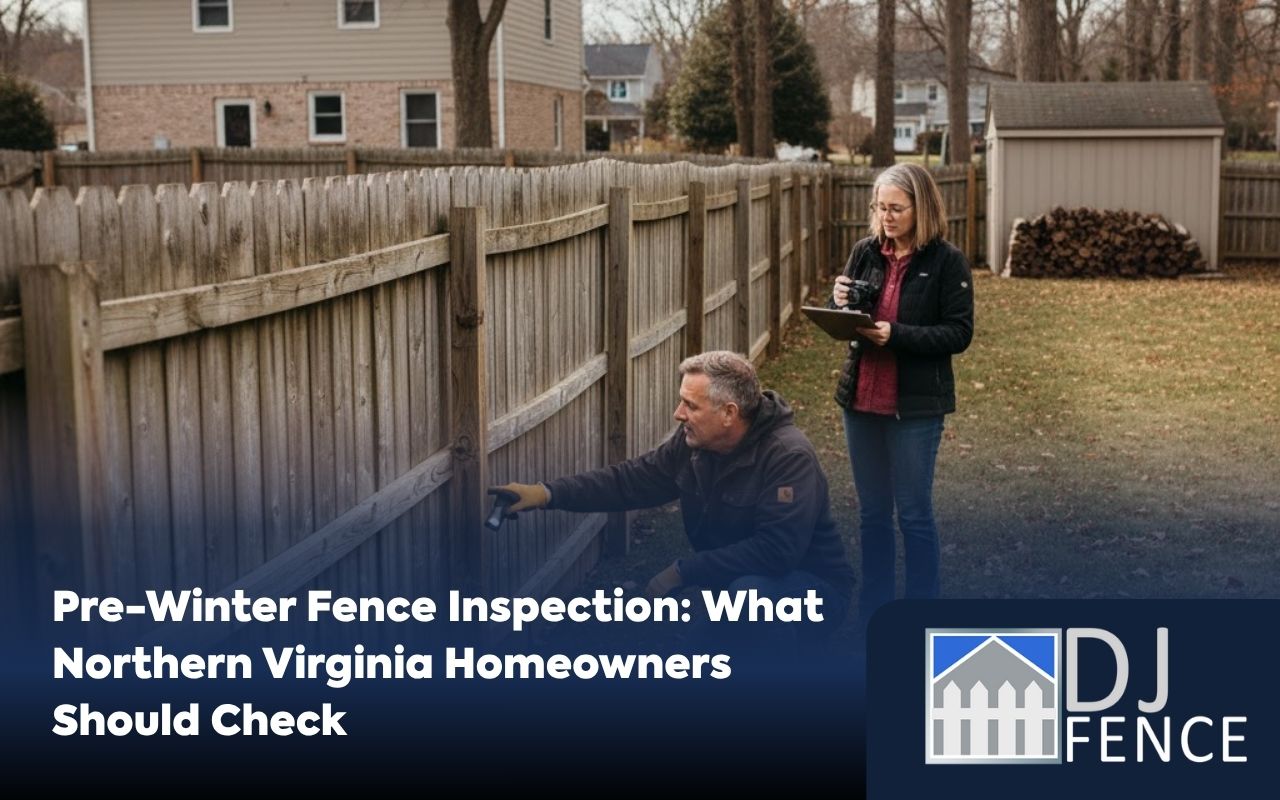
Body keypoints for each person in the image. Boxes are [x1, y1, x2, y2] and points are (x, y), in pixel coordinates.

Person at [491, 350, 855, 649]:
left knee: (750, 598)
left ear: (729, 413)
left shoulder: (788, 457)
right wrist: (546, 493)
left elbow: (777, 552)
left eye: (691, 406)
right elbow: (631, 481)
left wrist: (684, 571)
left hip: (811, 591)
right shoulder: (695, 444)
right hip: (734, 587)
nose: (678, 414)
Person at [830, 163, 974, 626]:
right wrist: (838, 303)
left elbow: (959, 333)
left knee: (913, 515)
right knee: (872, 515)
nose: (886, 217)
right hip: (861, 401)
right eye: (880, 208)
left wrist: (897, 335)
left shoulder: (947, 261)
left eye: (896, 208)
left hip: (913, 407)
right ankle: (874, 609)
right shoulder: (865, 252)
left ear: (921, 207)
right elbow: (848, 319)